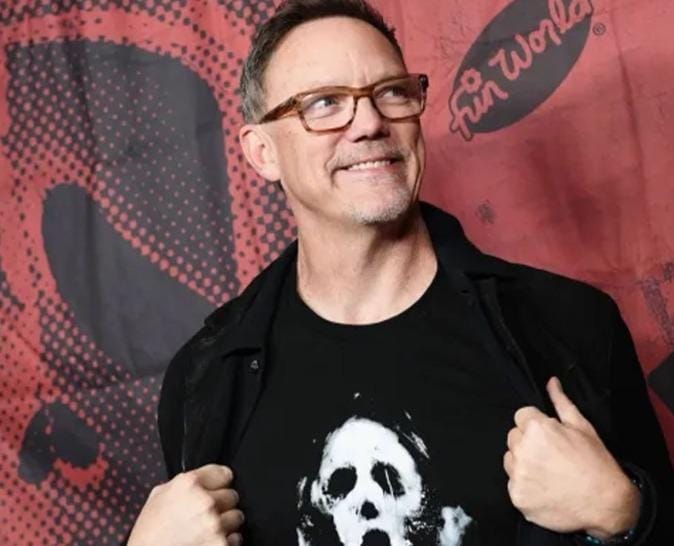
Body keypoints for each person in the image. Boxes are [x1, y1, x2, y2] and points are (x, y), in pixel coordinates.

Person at [127, 1, 674, 545]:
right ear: (262, 151)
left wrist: (625, 512)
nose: (370, 123)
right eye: (324, 103)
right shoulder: (205, 378)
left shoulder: (570, 326)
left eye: (390, 92)